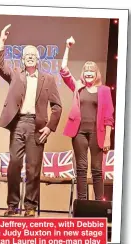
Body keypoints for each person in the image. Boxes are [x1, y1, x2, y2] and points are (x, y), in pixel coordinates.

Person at [0, 24, 62, 217]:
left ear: (38, 58)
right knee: (14, 163)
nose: (30, 56)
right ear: (22, 59)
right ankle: (12, 206)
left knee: (33, 168)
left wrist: (50, 127)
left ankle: (30, 207)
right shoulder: (15, 74)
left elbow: (57, 106)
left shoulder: (48, 79)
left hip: (38, 126)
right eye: (27, 54)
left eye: (33, 54)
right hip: (19, 124)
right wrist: (2, 40)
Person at [60, 36, 114, 200]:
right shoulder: (78, 86)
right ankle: (82, 204)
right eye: (86, 71)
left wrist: (107, 138)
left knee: (97, 169)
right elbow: (63, 70)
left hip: (97, 134)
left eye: (92, 71)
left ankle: (99, 204)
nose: (89, 73)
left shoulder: (104, 90)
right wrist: (67, 48)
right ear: (83, 74)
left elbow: (109, 117)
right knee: (82, 168)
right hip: (79, 133)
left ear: (96, 74)